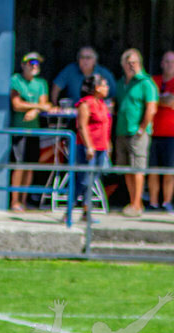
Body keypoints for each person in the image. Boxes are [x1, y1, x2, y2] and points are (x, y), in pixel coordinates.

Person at [114, 48, 158, 217]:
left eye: (135, 62)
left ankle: (137, 203)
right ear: (123, 65)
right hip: (122, 130)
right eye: (128, 63)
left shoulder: (146, 83)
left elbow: (151, 108)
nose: (132, 66)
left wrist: (142, 128)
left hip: (137, 133)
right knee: (126, 169)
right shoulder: (121, 83)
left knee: (138, 168)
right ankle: (132, 201)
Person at [9, 51, 53, 212]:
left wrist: (35, 110)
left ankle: (24, 200)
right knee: (19, 165)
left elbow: (45, 104)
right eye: (31, 63)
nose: (34, 67)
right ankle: (14, 201)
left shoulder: (41, 83)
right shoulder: (16, 80)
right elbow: (16, 104)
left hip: (34, 130)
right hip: (20, 129)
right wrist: (36, 107)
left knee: (30, 166)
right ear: (23, 65)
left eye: (37, 64)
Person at [147, 51, 174, 213]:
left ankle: (167, 202)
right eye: (167, 61)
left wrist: (157, 98)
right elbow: (148, 100)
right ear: (162, 63)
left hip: (171, 132)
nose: (170, 65)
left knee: (169, 169)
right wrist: (163, 98)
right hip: (152, 131)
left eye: (173, 62)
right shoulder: (153, 81)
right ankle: (153, 202)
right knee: (153, 169)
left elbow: (173, 101)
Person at [75, 74, 112, 222]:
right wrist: (89, 146)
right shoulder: (86, 103)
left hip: (101, 147)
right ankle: (69, 210)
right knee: (83, 180)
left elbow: (105, 125)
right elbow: (82, 126)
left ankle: (86, 211)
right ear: (97, 87)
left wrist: (108, 144)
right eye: (104, 85)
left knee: (92, 180)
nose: (107, 88)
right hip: (88, 148)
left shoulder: (102, 104)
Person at [51, 47, 117, 108]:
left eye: (88, 58)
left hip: (97, 114)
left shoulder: (104, 73)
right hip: (73, 114)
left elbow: (113, 95)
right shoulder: (70, 70)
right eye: (81, 57)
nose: (84, 60)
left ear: (95, 61)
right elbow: (56, 87)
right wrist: (55, 105)